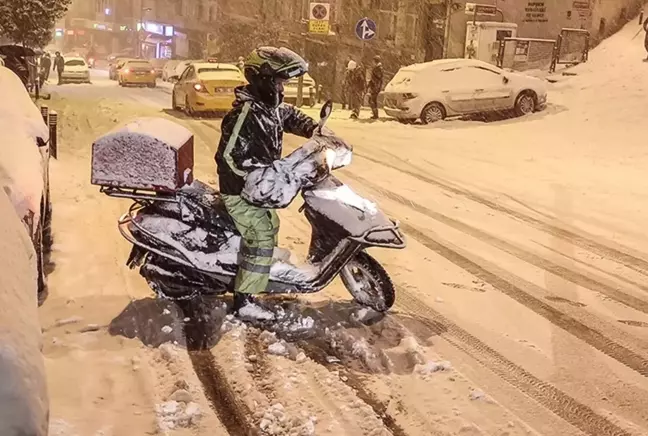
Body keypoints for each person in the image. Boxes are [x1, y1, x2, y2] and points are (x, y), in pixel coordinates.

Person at [215, 47, 319, 320]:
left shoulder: (268, 108)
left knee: (271, 224)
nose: (281, 88)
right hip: (240, 190)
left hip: (259, 189)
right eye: (278, 81)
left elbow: (289, 116)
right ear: (262, 80)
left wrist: (315, 129)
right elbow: (228, 156)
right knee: (260, 232)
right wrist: (254, 175)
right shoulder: (245, 114)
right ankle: (244, 300)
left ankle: (258, 272)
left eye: (283, 82)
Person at [368, 55, 384, 120]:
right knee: (372, 100)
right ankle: (375, 113)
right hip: (375, 87)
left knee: (372, 100)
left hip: (375, 87)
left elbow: (378, 78)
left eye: (373, 61)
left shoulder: (378, 68)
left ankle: (375, 114)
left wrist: (373, 83)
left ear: (375, 61)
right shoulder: (377, 68)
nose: (372, 62)